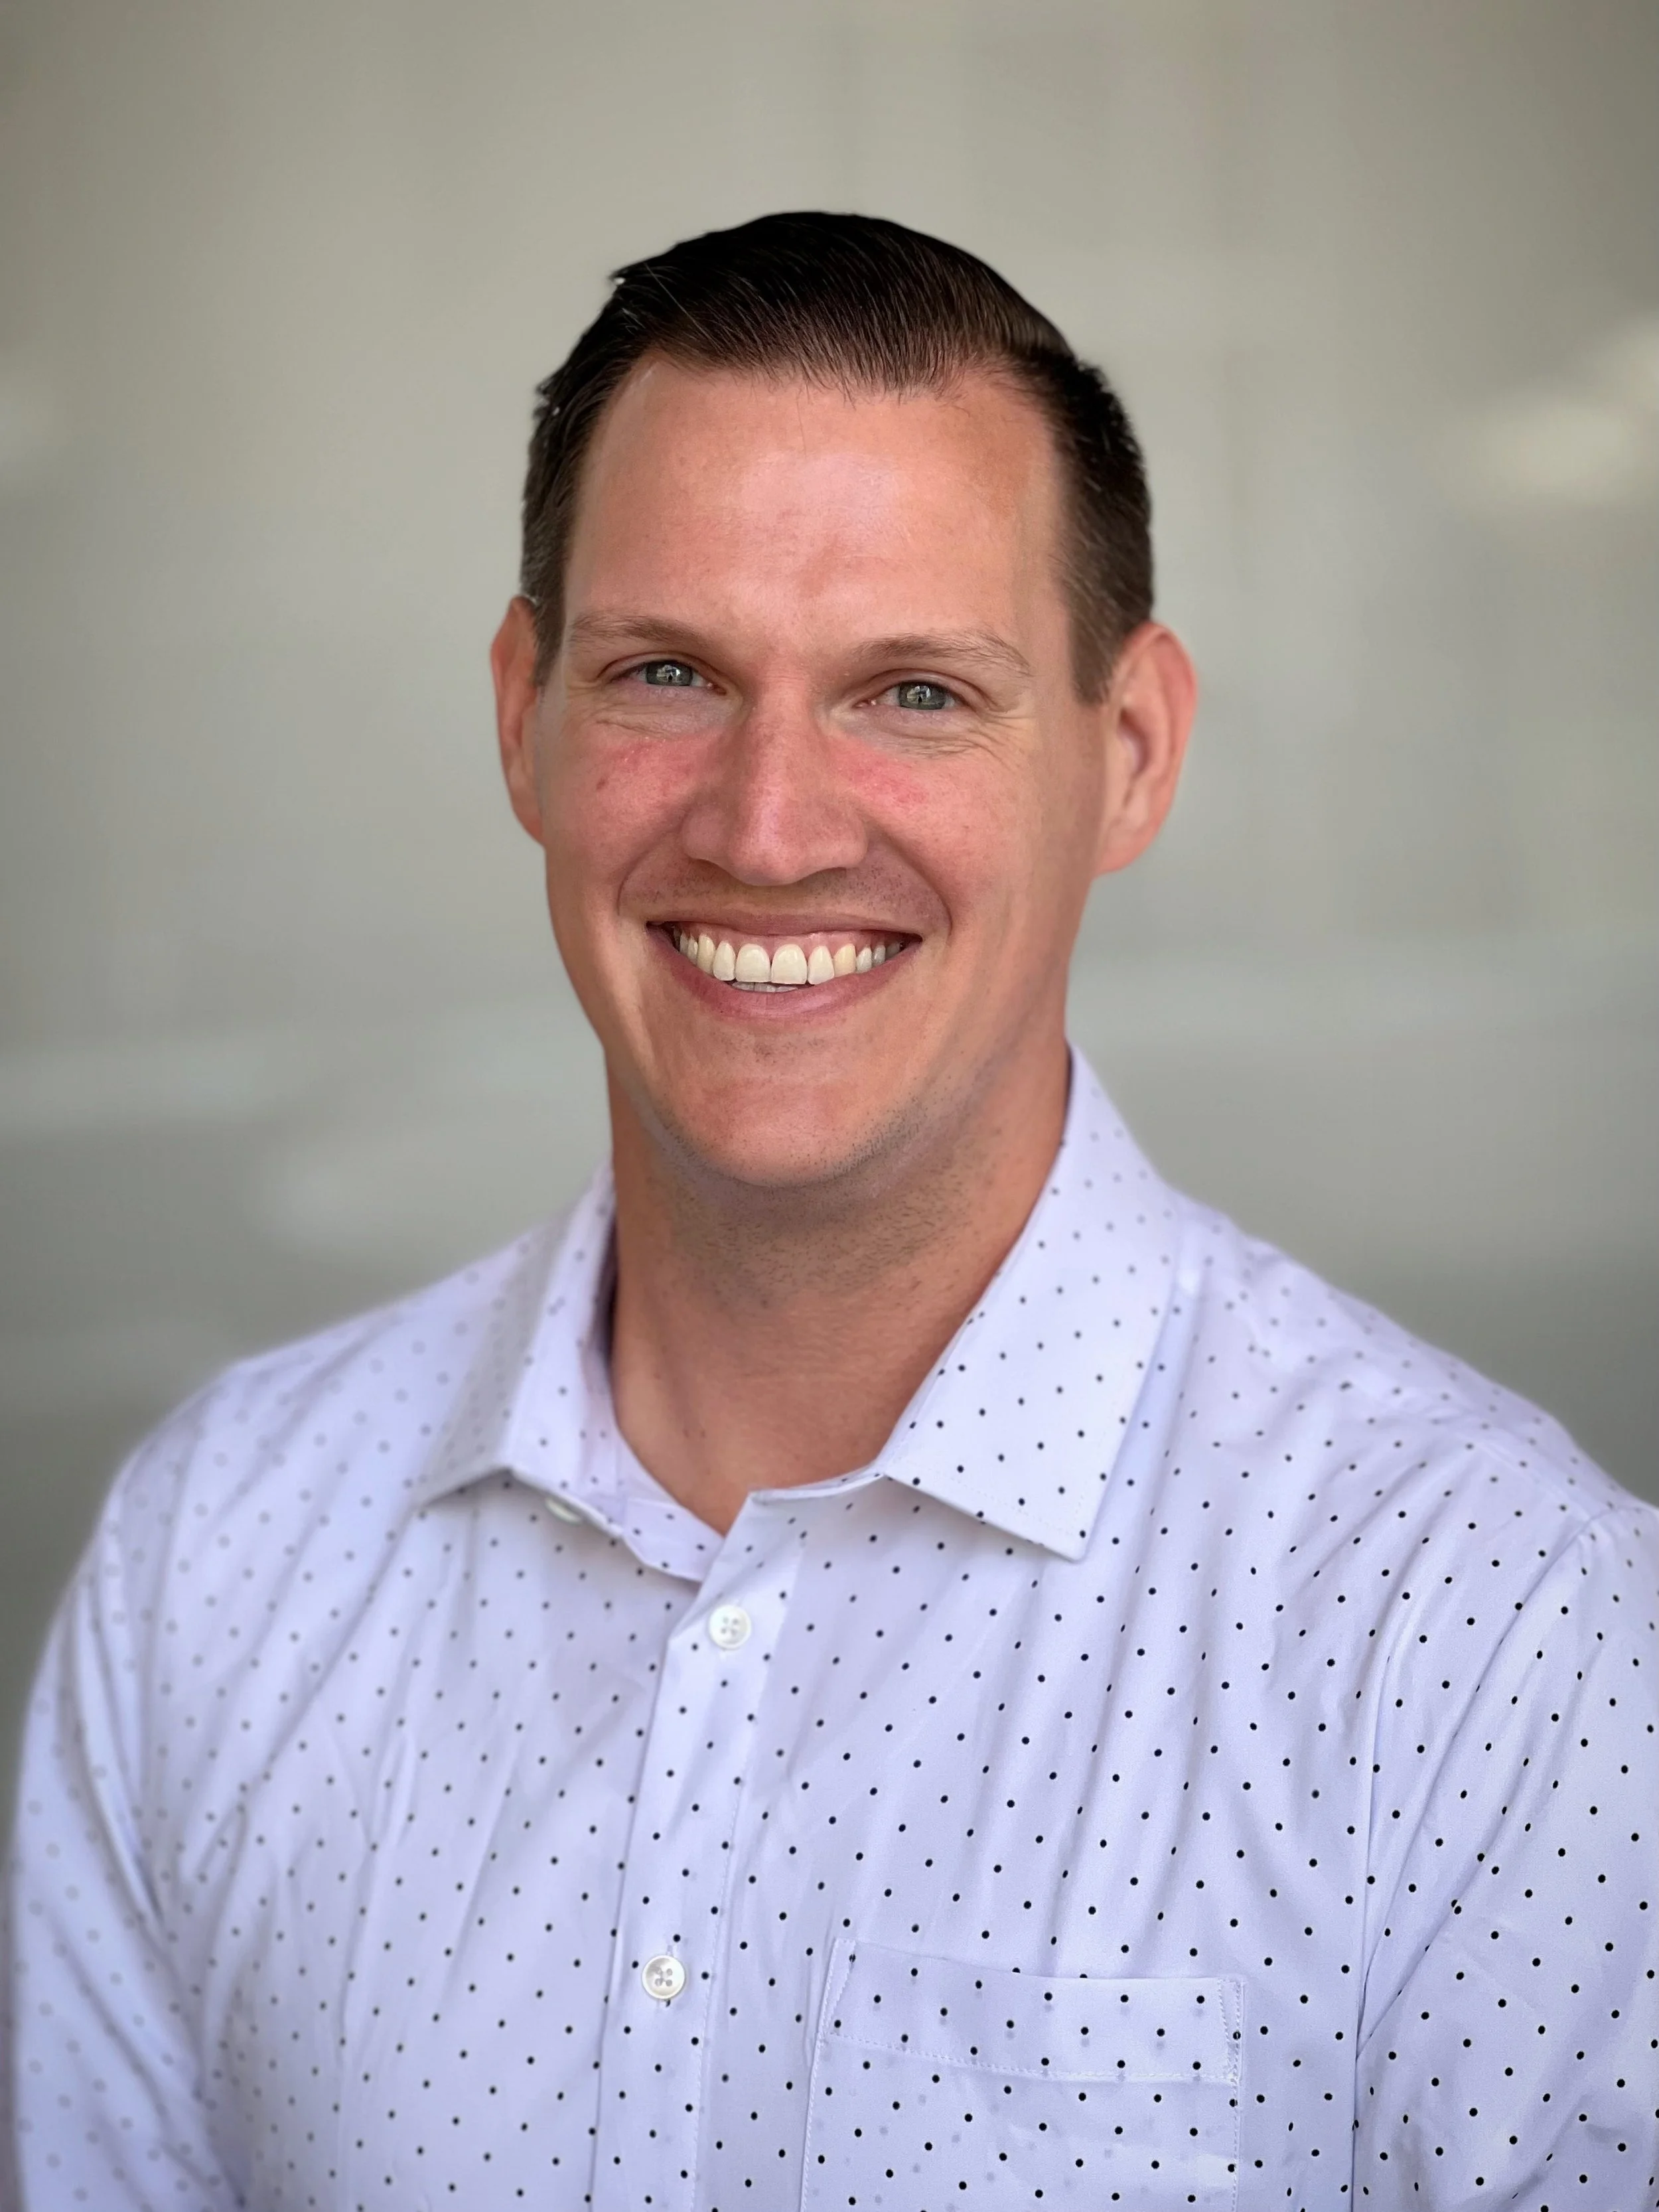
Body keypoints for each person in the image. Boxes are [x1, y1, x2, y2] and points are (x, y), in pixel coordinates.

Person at [5, 212, 1654, 2210]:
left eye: (916, 694)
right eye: (669, 672)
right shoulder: (221, 1553)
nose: (768, 825)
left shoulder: (1495, 1638)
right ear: (524, 711)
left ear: (1123, 756)